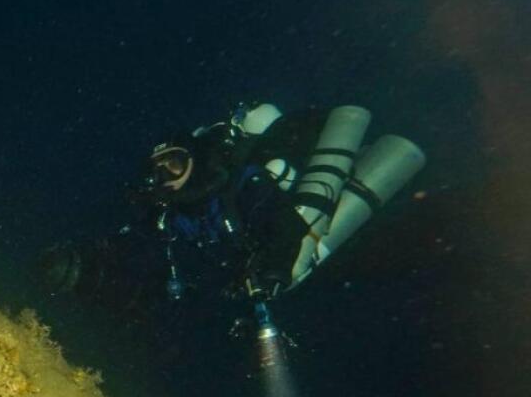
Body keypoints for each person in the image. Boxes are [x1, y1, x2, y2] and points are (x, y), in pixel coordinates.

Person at [43, 103, 426, 316]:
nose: (165, 176)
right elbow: (144, 246)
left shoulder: (241, 185)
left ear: (193, 159)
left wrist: (273, 268)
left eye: (174, 164)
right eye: (156, 170)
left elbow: (282, 223)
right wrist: (87, 261)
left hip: (315, 254)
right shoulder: (171, 214)